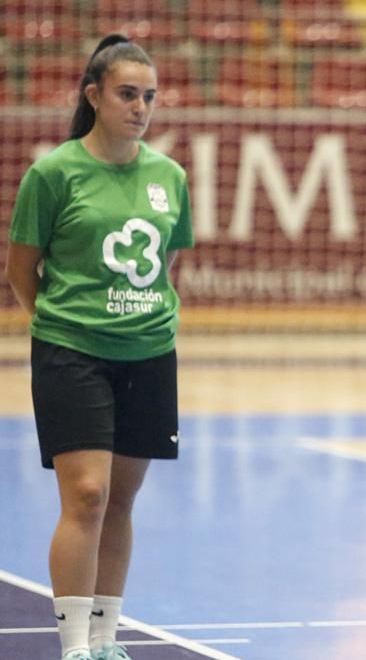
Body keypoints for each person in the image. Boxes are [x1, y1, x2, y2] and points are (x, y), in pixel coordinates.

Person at [5, 34, 193, 660]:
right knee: (87, 494)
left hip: (149, 352)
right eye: (127, 94)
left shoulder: (168, 176)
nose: (140, 108)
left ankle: (108, 639)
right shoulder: (53, 173)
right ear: (94, 96)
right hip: (72, 351)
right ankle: (74, 646)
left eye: (150, 97)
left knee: (121, 501)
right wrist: (62, 323)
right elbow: (21, 270)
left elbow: (167, 263)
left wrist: (142, 316)